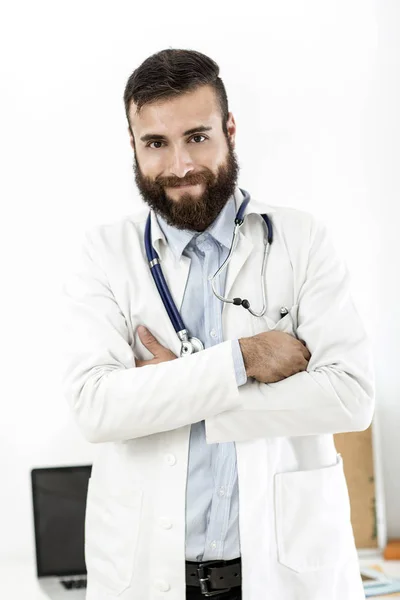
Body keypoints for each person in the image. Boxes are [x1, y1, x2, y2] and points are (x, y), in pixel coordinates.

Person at [61, 48, 375, 600]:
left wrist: (172, 389)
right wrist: (243, 360)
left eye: (197, 137)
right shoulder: (104, 255)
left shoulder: (302, 242)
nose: (180, 165)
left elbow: (351, 396)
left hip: (282, 576)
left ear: (229, 129)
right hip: (147, 577)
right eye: (155, 143)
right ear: (133, 146)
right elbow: (96, 406)